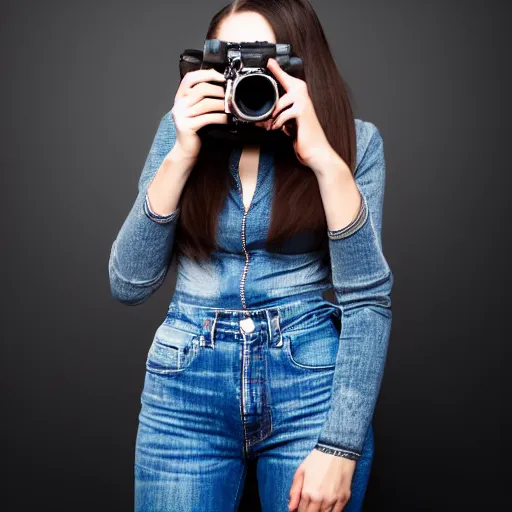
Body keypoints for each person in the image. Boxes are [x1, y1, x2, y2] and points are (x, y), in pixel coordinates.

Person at [108, 1, 394, 510]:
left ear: (303, 68)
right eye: (232, 63)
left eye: (265, 62)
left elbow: (368, 299)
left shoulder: (354, 143)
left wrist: (341, 442)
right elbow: (128, 282)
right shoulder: (178, 137)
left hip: (310, 387)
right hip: (185, 391)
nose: (247, 77)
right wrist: (180, 154)